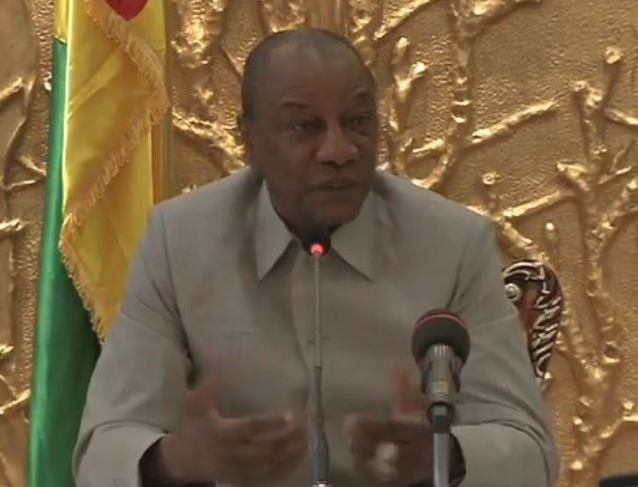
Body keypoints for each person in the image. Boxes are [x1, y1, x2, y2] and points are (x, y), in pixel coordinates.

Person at [73, 28, 558, 487]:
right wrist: (175, 460)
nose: (339, 150)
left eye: (358, 122)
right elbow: (102, 448)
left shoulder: (454, 244)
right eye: (305, 126)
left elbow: (531, 451)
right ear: (250, 142)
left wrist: (444, 455)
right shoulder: (180, 241)